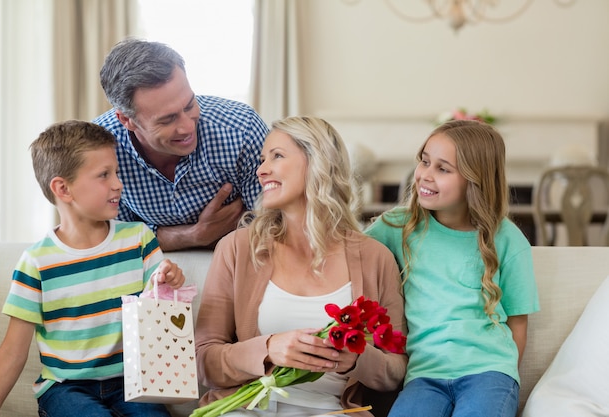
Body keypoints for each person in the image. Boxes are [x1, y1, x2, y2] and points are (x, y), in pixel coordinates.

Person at [194, 116, 407, 417]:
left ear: (318, 163)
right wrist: (268, 349)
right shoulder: (238, 248)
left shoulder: (375, 258)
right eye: (262, 159)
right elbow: (203, 360)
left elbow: (396, 370)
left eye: (277, 156)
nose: (261, 169)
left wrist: (358, 359)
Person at [0, 120, 185, 417]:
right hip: (65, 388)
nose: (118, 183)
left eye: (116, 172)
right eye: (104, 175)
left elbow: (159, 304)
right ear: (63, 188)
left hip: (132, 383)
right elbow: (13, 351)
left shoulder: (139, 239)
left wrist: (170, 279)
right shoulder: (37, 262)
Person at [365, 120, 540, 417]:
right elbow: (347, 252)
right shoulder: (397, 226)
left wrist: (504, 373)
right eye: (425, 162)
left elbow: (518, 324)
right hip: (423, 375)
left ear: (476, 180)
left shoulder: (507, 239)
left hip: (489, 372)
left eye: (443, 169)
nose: (425, 176)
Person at [93, 38, 269, 251]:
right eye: (167, 119)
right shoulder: (98, 148)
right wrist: (192, 236)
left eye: (189, 105)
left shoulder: (243, 130)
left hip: (239, 257)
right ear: (127, 120)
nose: (187, 128)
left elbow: (272, 227)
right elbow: (105, 241)